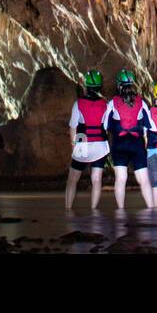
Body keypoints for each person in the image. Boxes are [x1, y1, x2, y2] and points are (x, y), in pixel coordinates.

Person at [104, 70, 155, 209]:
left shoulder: (112, 103)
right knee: (144, 180)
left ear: (119, 85)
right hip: (136, 143)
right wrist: (145, 138)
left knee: (120, 179)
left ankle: (121, 210)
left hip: (119, 144)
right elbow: (150, 124)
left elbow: (105, 125)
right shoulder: (141, 102)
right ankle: (151, 208)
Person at [66, 70, 110, 209]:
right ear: (99, 87)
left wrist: (74, 147)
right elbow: (106, 126)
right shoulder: (105, 104)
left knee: (73, 179)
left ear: (86, 85)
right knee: (96, 180)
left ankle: (68, 209)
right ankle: (94, 210)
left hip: (82, 142)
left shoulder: (78, 103)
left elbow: (73, 127)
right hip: (100, 144)